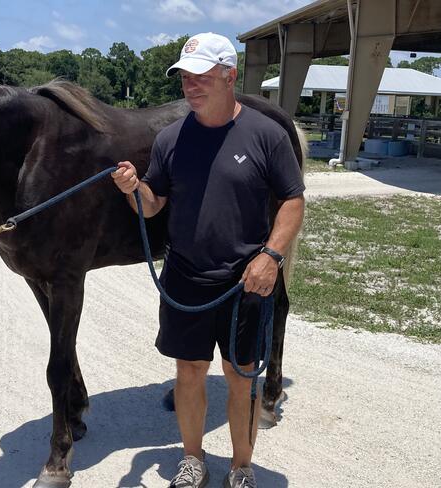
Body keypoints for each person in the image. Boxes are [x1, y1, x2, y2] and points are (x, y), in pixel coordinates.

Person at [111, 33, 305, 488]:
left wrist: (272, 256)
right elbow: (153, 204)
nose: (190, 86)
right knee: (189, 372)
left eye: (200, 76)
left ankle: (241, 467)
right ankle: (192, 460)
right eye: (185, 77)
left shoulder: (266, 135)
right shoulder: (171, 138)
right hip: (185, 277)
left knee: (240, 378)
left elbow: (293, 201)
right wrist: (133, 189)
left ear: (230, 76)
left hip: (246, 280)